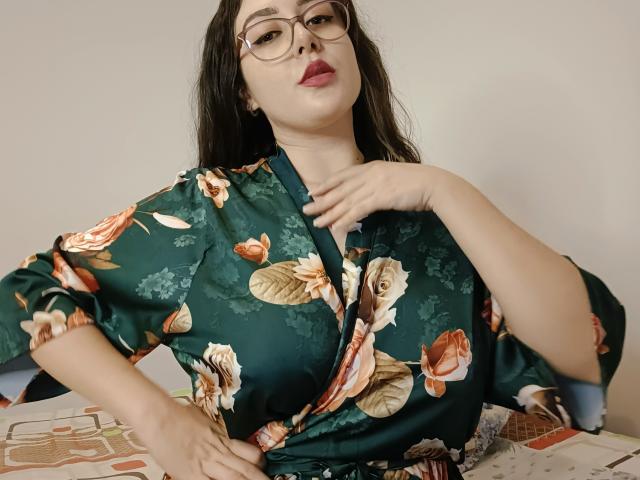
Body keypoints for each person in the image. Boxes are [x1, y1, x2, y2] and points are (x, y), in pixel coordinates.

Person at [0, 0, 627, 479]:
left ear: (354, 51)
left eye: (321, 17)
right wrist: (158, 419)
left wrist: (448, 191)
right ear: (242, 90)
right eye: (269, 34)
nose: (304, 37)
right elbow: (22, 304)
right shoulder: (205, 214)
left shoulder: (446, 224)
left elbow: (580, 370)